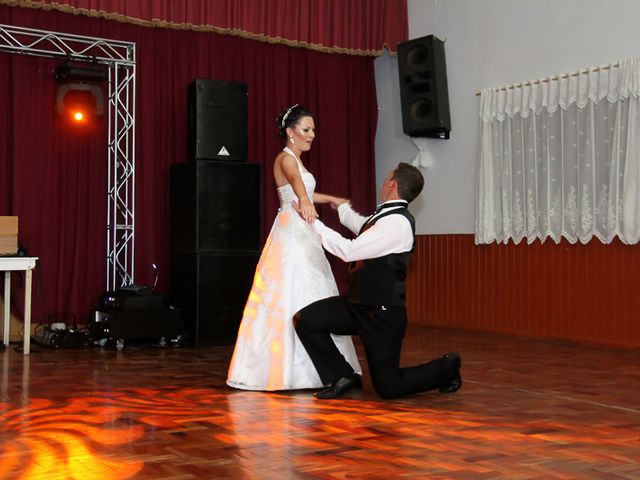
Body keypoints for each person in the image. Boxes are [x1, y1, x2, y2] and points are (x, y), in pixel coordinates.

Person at [293, 163, 461, 399]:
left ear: (392, 184)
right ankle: (342, 376)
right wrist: (342, 207)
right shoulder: (386, 216)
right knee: (307, 320)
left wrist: (311, 220)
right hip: (358, 305)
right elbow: (364, 227)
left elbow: (349, 250)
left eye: (387, 177)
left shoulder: (398, 223)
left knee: (389, 387)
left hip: (382, 316)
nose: (383, 181)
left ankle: (447, 367)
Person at [226, 104, 362, 391]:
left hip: (303, 228)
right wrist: (307, 201)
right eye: (306, 129)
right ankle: (284, 369)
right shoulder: (285, 159)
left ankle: (328, 367)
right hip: (292, 231)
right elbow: (298, 184)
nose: (312, 134)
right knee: (288, 290)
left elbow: (307, 190)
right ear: (290, 132)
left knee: (313, 288)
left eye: (313, 129)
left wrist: (329, 199)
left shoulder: (297, 160)